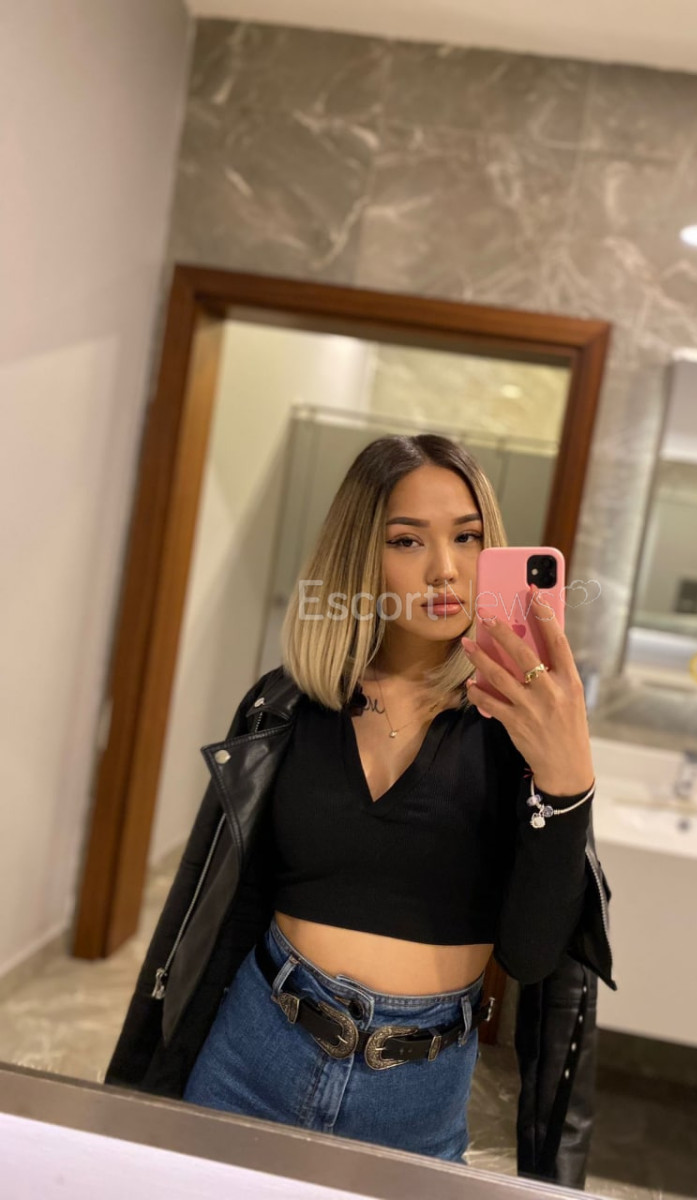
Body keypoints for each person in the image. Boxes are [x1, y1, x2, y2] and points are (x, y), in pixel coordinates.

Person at [106, 433, 615, 1169]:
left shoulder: (516, 724)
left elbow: (533, 955)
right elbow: (220, 909)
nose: (445, 569)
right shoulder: (286, 706)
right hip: (253, 1052)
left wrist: (568, 782)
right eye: (407, 540)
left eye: (467, 537)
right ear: (360, 557)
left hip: (414, 1097)